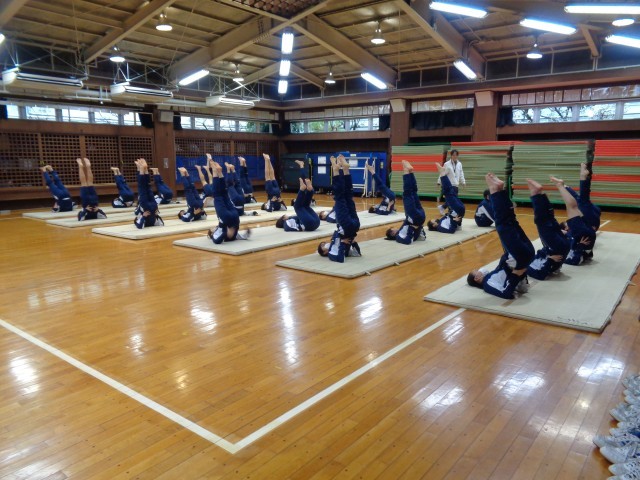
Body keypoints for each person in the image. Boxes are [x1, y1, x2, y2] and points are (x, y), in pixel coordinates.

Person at [467, 173, 535, 299]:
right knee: (502, 225)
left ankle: (500, 190)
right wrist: (517, 274)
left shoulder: (492, 276)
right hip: (519, 260)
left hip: (523, 257)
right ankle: (494, 190)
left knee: (511, 221)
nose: (480, 269)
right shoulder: (487, 284)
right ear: (477, 278)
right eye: (477, 270)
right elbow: (505, 292)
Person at [317, 155, 361, 262]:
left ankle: (345, 170)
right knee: (340, 197)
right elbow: (342, 258)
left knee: (348, 196)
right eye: (323, 245)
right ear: (324, 252)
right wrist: (348, 243)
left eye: (323, 243)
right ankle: (336, 170)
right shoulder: (331, 251)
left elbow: (356, 254)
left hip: (354, 226)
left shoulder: (334, 244)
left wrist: (349, 242)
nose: (325, 243)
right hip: (346, 227)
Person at [525, 178, 570, 281]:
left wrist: (547, 256)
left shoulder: (530, 260)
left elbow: (540, 253)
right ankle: (536, 194)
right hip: (557, 249)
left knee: (550, 218)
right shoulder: (528, 268)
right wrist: (549, 259)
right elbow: (540, 275)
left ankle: (541, 194)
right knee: (542, 222)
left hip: (559, 247)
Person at [550, 174, 596, 265]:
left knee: (575, 206)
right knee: (573, 206)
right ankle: (561, 186)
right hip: (584, 235)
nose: (568, 222)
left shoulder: (569, 236)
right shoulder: (569, 237)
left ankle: (562, 186)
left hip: (587, 235)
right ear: (566, 228)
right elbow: (575, 260)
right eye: (566, 224)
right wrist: (580, 246)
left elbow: (587, 255)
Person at [206, 161, 251, 243]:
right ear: (212, 233)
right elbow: (217, 240)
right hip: (226, 218)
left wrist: (246, 233)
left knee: (225, 194)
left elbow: (242, 236)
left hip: (235, 218)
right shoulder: (216, 233)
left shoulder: (234, 236)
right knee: (218, 195)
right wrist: (214, 236)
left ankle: (220, 173)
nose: (212, 228)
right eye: (211, 229)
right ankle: (215, 172)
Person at [384, 160, 426, 244]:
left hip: (420, 218)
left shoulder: (402, 231)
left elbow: (422, 237)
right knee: (407, 194)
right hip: (414, 218)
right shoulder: (399, 235)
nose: (396, 228)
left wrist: (418, 228)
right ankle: (406, 171)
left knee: (413, 192)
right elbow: (407, 241)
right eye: (393, 228)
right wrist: (413, 228)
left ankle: (410, 172)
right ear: (392, 233)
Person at [275, 160, 321, 232]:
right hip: (310, 225)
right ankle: (303, 189)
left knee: (305, 206)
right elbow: (287, 228)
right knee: (297, 207)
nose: (286, 215)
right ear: (283, 219)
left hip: (316, 222)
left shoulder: (291, 218)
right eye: (284, 216)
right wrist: (300, 228)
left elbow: (301, 216)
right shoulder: (286, 223)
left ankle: (309, 190)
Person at [561, 162, 601, 232]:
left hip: (593, 213)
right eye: (566, 223)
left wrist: (564, 187)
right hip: (591, 221)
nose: (567, 221)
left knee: (579, 200)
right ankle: (583, 176)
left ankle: (565, 186)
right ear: (566, 228)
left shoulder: (572, 224)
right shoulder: (572, 231)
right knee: (582, 200)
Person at [427, 162, 466, 233]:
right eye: (433, 220)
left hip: (457, 211)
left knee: (451, 191)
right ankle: (442, 174)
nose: (434, 219)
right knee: (448, 193)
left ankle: (443, 174)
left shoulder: (441, 222)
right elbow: (451, 230)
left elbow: (450, 219)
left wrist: (458, 222)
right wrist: (455, 220)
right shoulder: (440, 227)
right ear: (434, 225)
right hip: (457, 211)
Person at [134, 158, 164, 229]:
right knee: (144, 186)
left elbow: (161, 223)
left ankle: (144, 169)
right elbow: (139, 226)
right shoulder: (140, 219)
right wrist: (155, 215)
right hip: (147, 207)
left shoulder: (141, 219)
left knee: (147, 186)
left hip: (151, 207)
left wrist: (155, 215)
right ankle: (142, 169)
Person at [437, 149, 465, 213]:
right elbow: (442, 172)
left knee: (454, 199)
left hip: (456, 185)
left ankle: (442, 207)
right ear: (451, 155)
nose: (454, 156)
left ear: (457, 156)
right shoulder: (447, 164)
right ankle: (450, 211)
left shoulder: (459, 164)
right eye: (453, 155)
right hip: (449, 185)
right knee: (452, 199)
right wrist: (439, 182)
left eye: (456, 155)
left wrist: (463, 182)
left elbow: (461, 173)